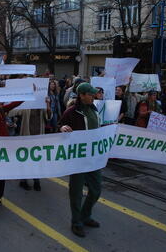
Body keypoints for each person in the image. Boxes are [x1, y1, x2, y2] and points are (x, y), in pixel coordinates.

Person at [59, 82, 101, 238]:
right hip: (77, 159)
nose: (93, 96)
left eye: (93, 94)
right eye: (90, 94)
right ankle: (76, 222)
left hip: (93, 158)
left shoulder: (95, 110)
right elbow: (60, 125)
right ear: (81, 95)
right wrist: (62, 128)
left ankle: (85, 215)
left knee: (96, 190)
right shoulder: (71, 112)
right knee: (76, 192)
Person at [10, 97, 52, 191]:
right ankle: (23, 180)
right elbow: (12, 112)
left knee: (37, 160)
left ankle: (36, 180)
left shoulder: (43, 109)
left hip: (38, 138)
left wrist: (48, 104)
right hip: (27, 137)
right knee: (25, 160)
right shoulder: (26, 107)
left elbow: (49, 117)